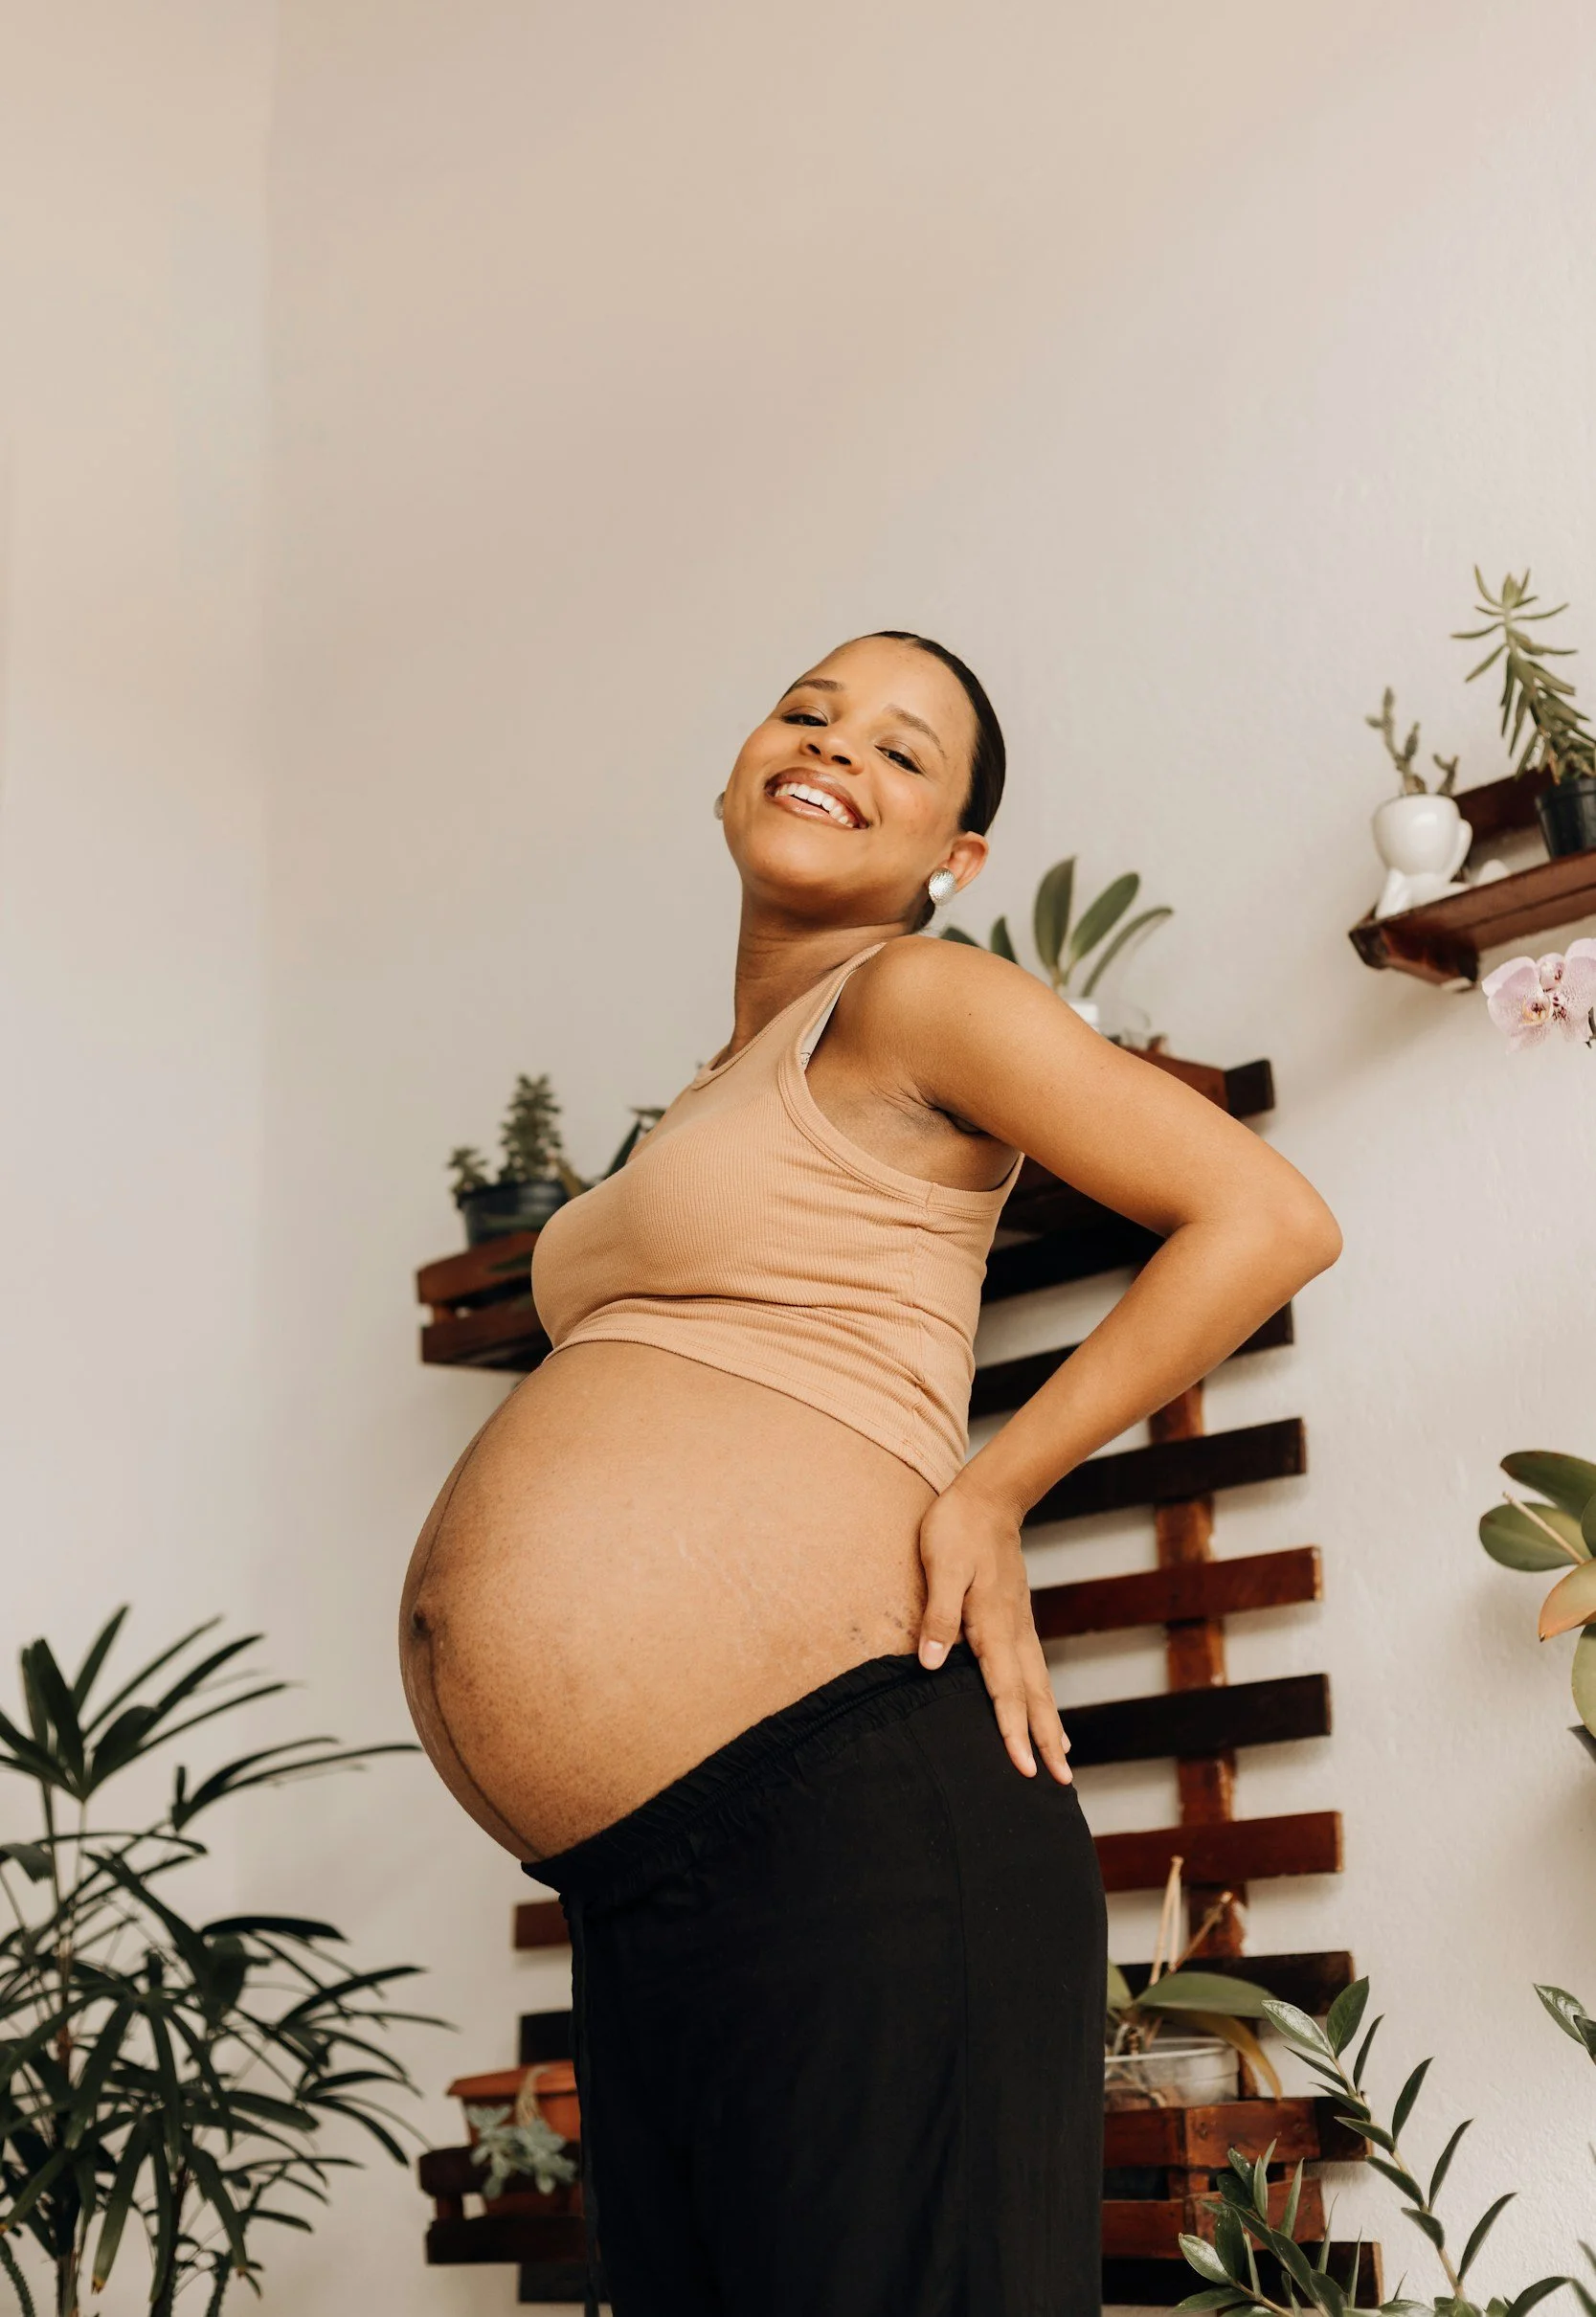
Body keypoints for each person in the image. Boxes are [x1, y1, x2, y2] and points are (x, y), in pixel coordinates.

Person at [399, 631, 1342, 2317]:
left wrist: (992, 1489)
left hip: (860, 1828)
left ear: (951, 858)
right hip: (650, 1882)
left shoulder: (916, 992)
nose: (837, 747)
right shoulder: (707, 1100)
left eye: (907, 754)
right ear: (738, 766)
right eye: (809, 710)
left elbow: (1264, 1218)